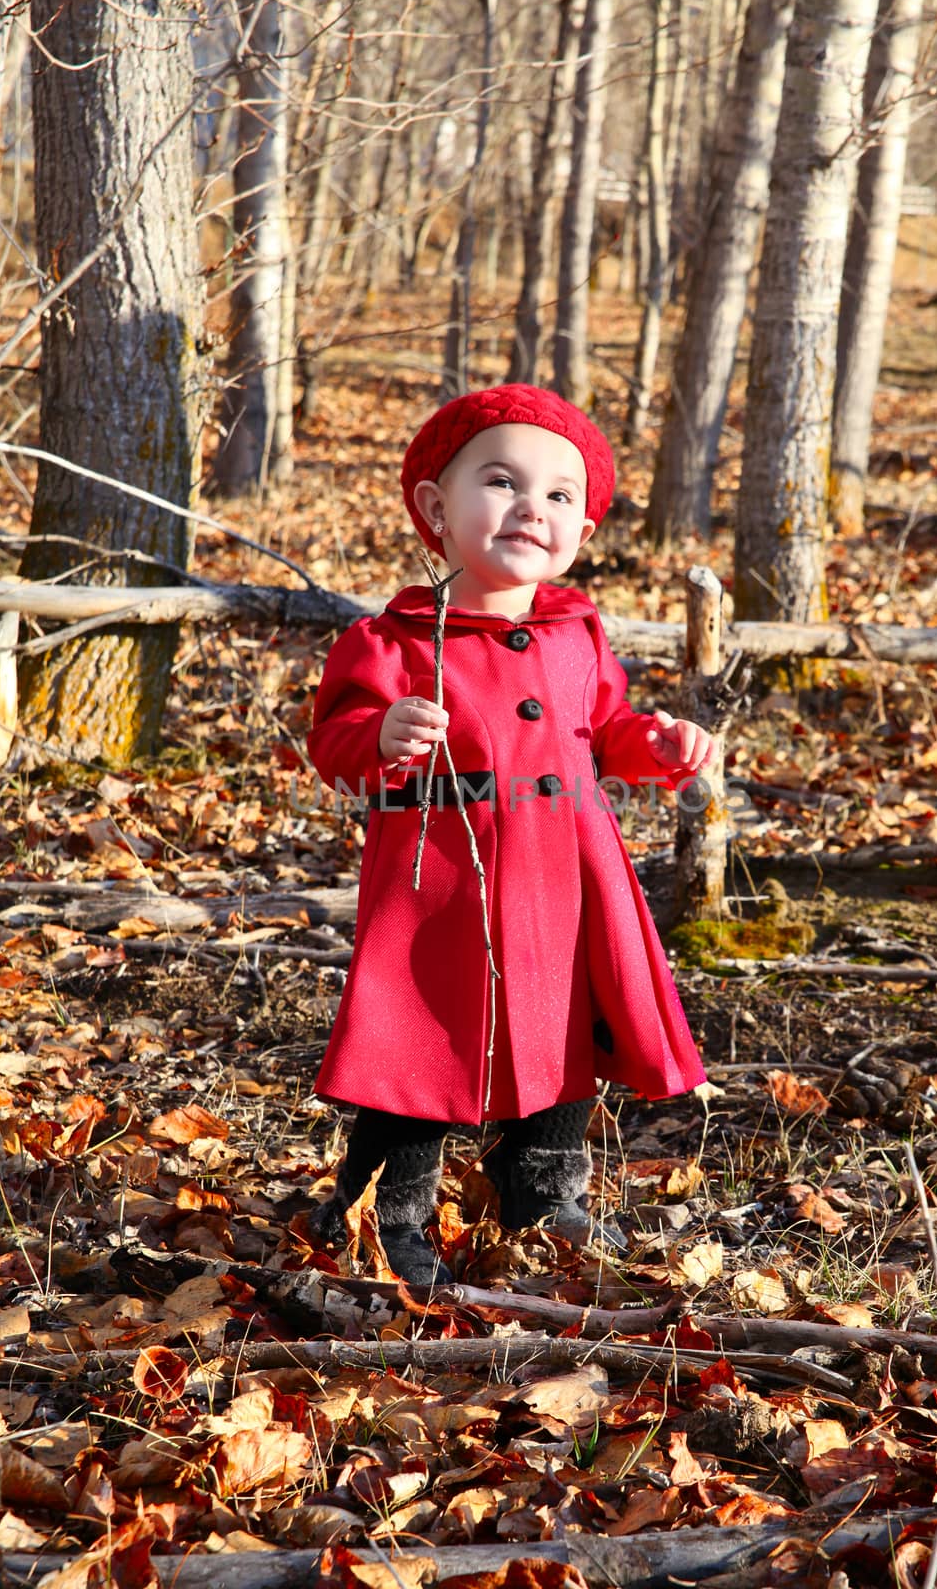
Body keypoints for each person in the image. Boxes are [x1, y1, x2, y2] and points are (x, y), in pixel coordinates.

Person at [306, 385, 715, 1283]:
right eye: (501, 480)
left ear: (585, 529)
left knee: (562, 1026)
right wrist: (378, 736)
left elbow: (605, 730)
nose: (533, 506)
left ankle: (540, 1186)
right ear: (433, 508)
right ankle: (383, 1205)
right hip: (439, 886)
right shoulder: (394, 639)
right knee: (417, 1040)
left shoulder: (576, 634)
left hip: (563, 876)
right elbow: (333, 741)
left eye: (562, 495)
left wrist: (658, 745)